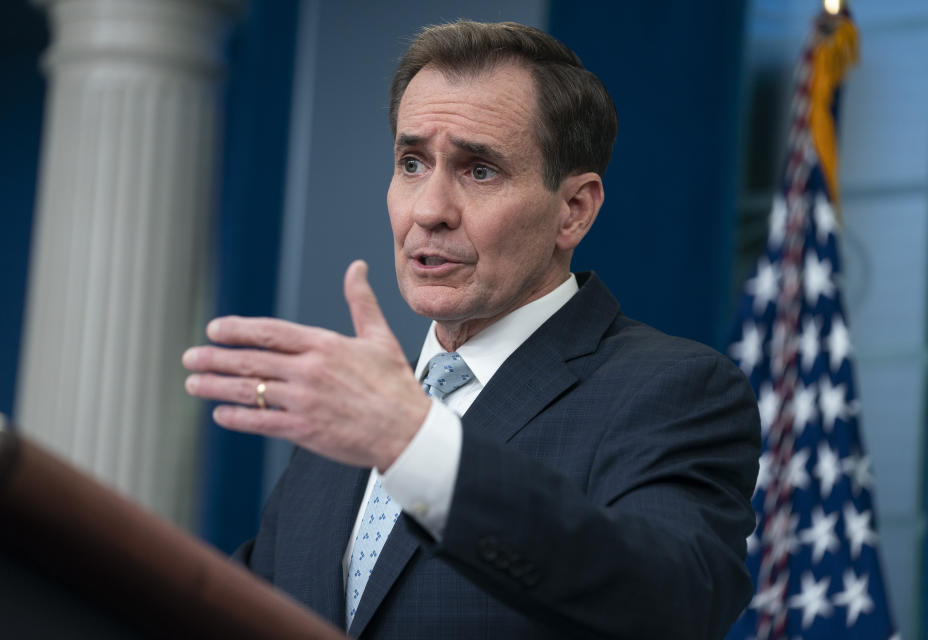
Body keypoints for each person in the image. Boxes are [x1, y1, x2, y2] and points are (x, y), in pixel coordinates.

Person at [182, 20, 760, 639]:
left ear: (574, 209)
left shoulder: (674, 391)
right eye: (411, 163)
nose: (428, 210)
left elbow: (669, 605)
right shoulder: (344, 431)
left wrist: (416, 444)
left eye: (479, 170)